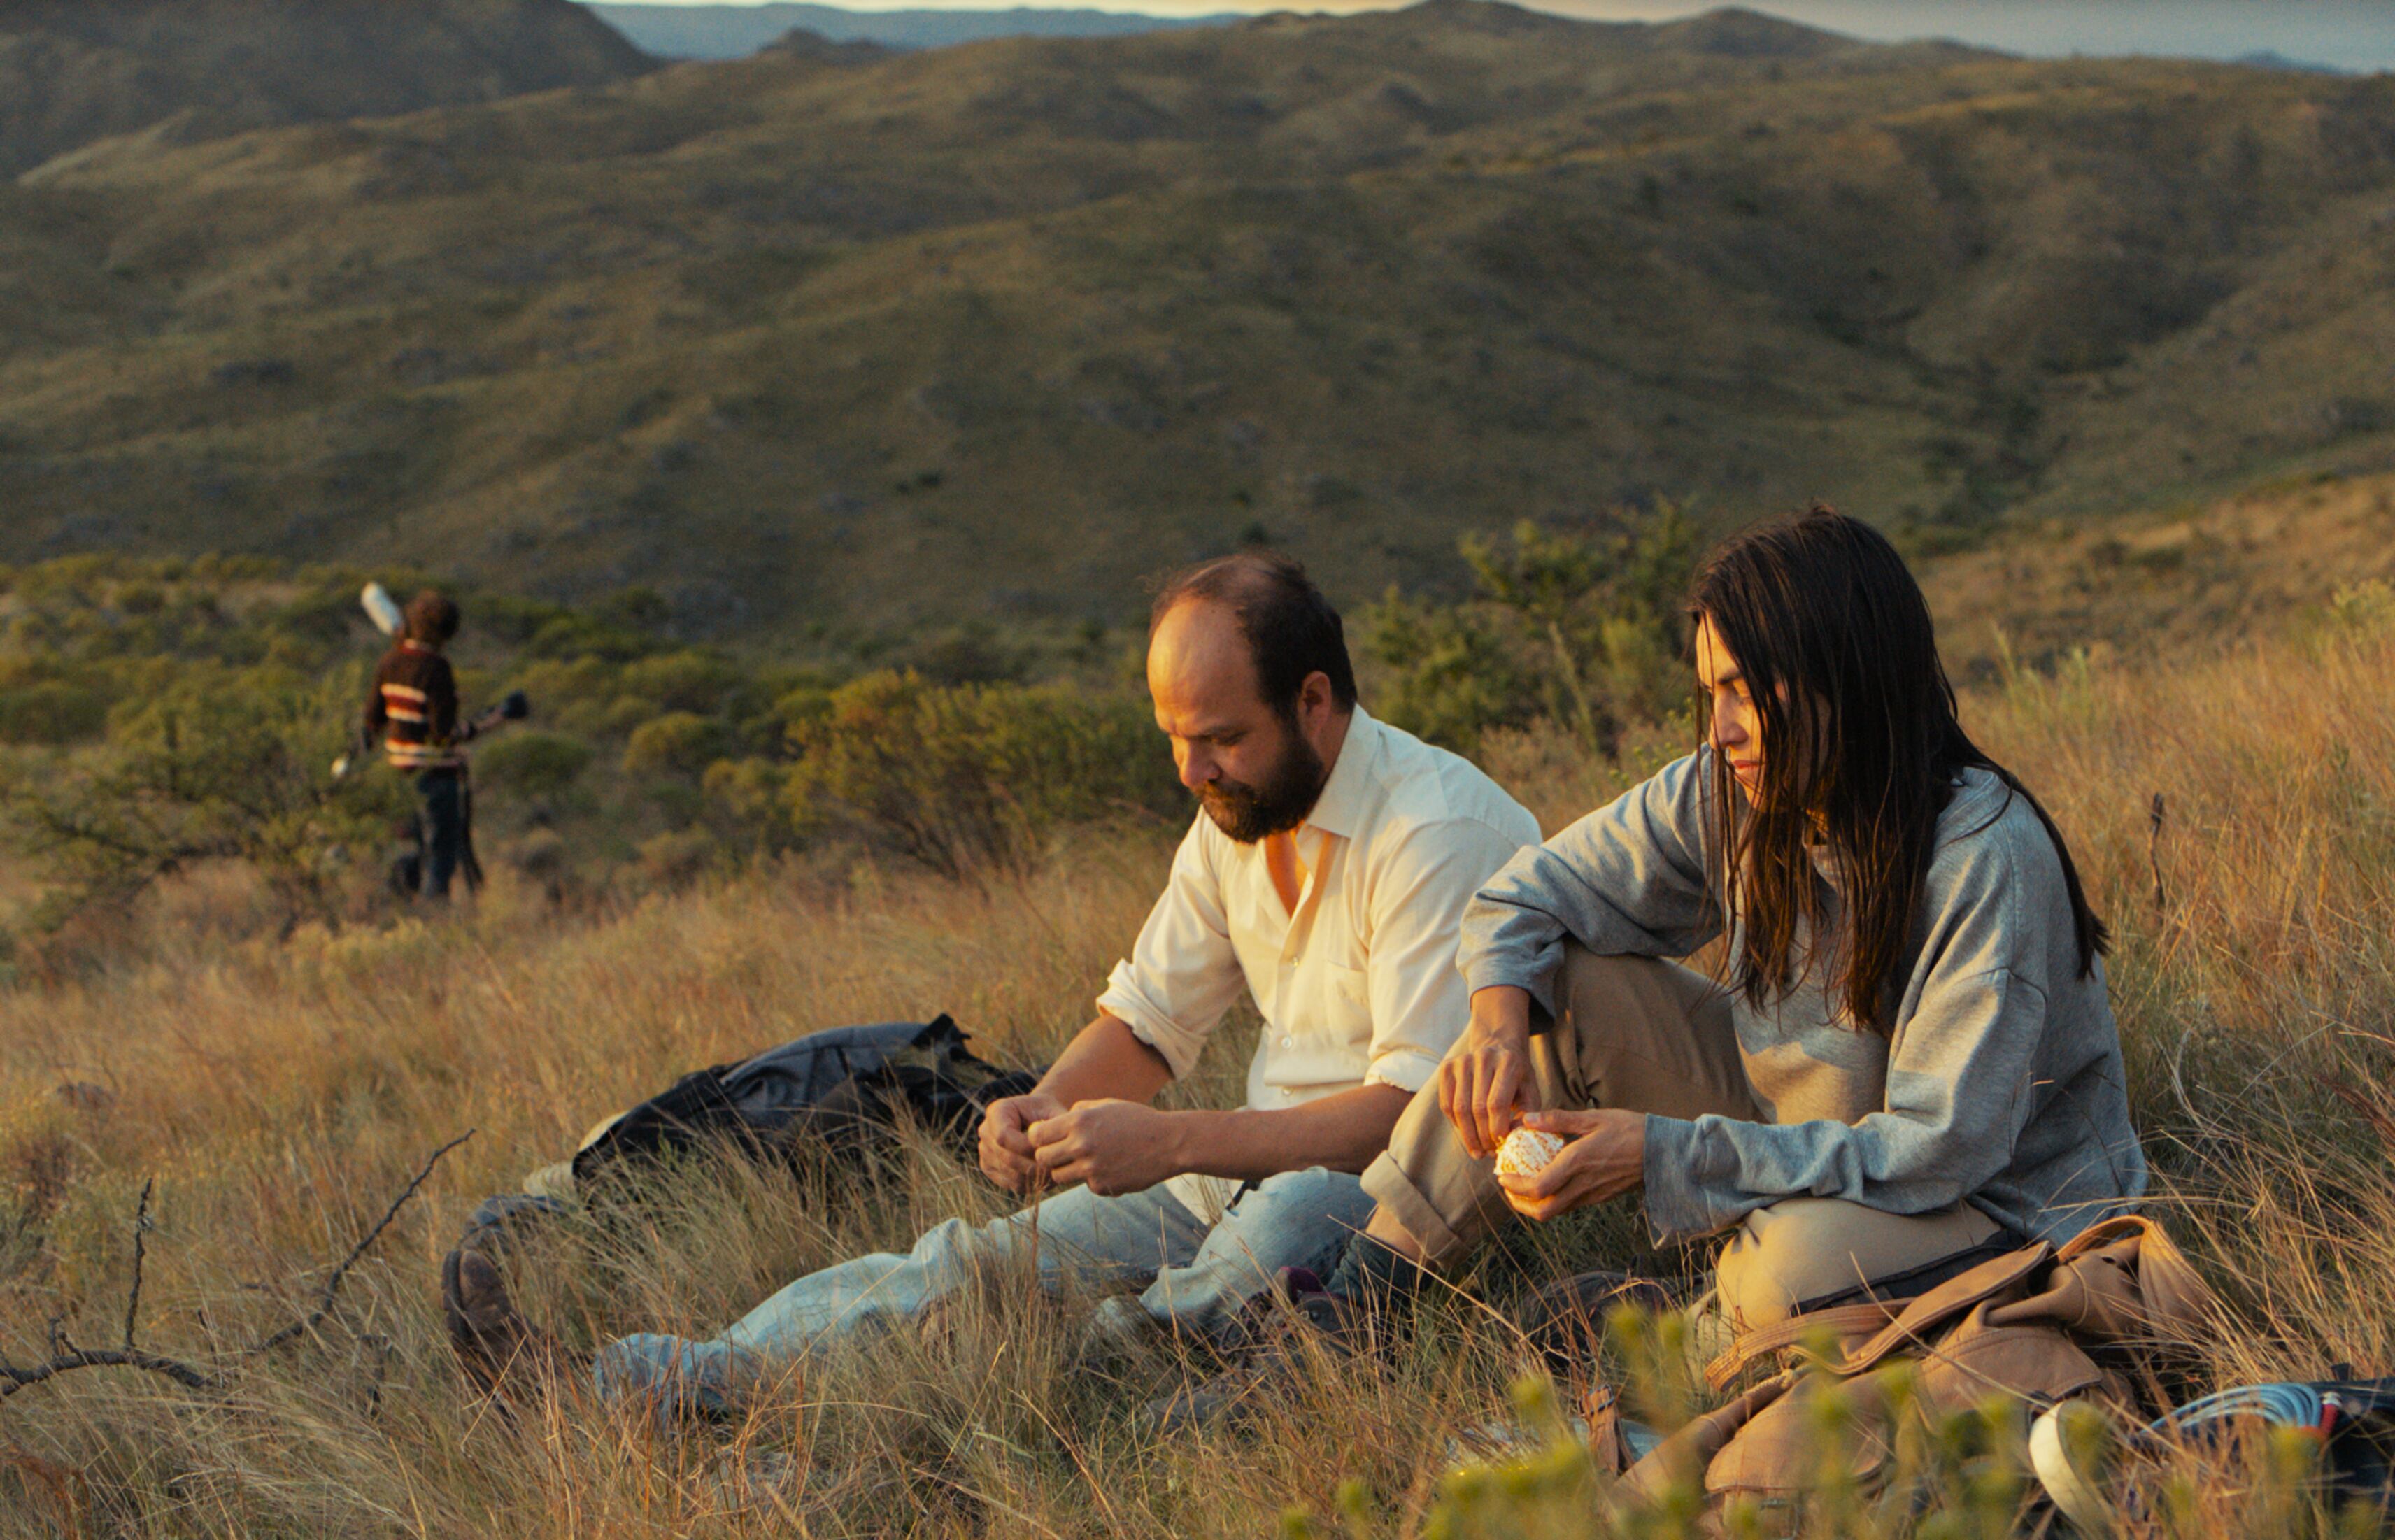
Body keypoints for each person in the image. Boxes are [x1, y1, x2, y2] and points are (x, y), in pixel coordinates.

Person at [443, 552, 1543, 1415]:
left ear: (1313, 702)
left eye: (1218, 739)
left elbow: (1406, 1120)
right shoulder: (1237, 814)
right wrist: (1047, 1104)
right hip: (1236, 1171)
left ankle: (1085, 1366)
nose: (1191, 772)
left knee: (1277, 1231)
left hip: (1403, 1196)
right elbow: (1150, 1022)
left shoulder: (1433, 829)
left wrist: (1169, 1143)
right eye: (1172, 739)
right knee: (967, 1260)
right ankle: (627, 1386)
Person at [1170, 506, 2148, 1423]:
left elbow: (1940, 1151)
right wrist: (1499, 1020)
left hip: (1992, 1205)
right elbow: (1521, 895)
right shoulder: (1731, 790)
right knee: (1558, 989)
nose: (1719, 730)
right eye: (1709, 693)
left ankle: (1641, 1345)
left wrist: (1664, 1153)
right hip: (1807, 1132)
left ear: (1843, 680)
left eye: (1744, 694)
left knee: (1790, 1268)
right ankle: (1357, 1311)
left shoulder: (1985, 859)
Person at [360, 590, 489, 900]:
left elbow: (372, 720)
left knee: (410, 851)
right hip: (434, 778)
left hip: (397, 776)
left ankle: (399, 914)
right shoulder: (437, 669)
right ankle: (433, 921)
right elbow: (441, 734)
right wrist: (478, 726)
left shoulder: (390, 661)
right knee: (440, 856)